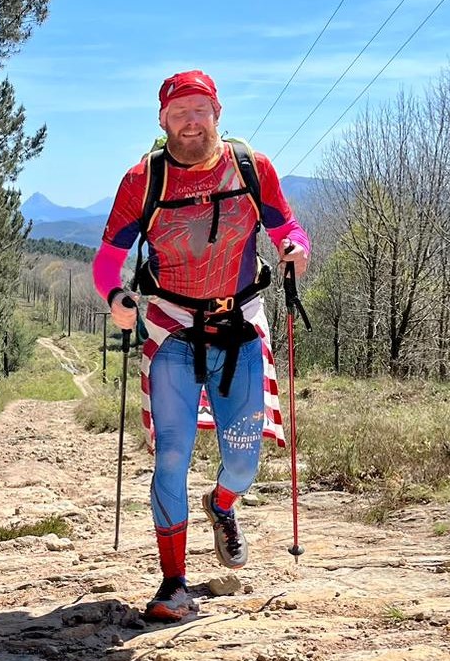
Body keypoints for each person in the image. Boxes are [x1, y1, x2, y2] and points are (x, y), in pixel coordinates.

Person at [92, 69, 309, 623]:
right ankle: (173, 584)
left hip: (239, 328)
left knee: (243, 458)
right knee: (171, 454)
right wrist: (116, 296)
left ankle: (223, 505)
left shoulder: (251, 168)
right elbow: (107, 259)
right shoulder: (144, 180)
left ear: (218, 113)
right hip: (170, 330)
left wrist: (294, 248)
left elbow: (288, 226)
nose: (191, 122)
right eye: (179, 112)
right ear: (162, 120)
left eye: (200, 110)